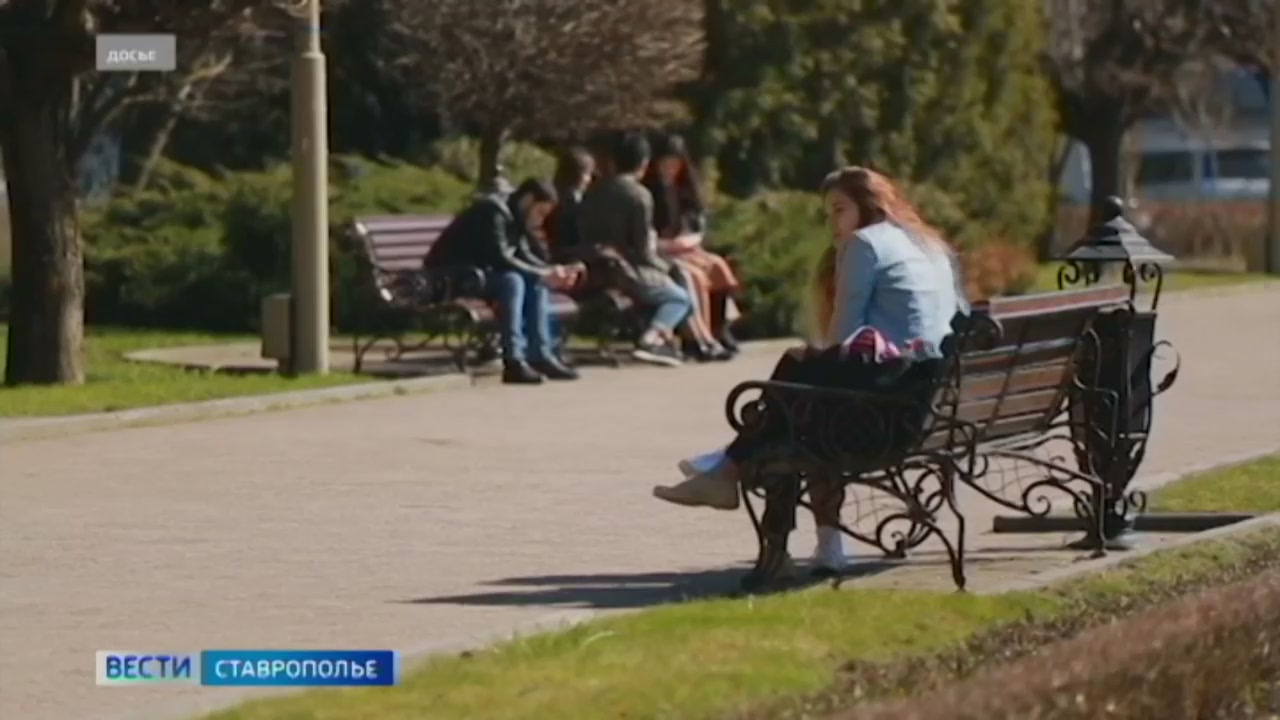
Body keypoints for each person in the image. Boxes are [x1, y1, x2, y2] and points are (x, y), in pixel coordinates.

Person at [651, 166, 967, 576]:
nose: (832, 221)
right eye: (828, 212)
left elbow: (843, 336)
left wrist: (813, 357)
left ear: (868, 205)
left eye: (840, 209)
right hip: (930, 399)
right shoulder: (929, 245)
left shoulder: (865, 243)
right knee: (800, 397)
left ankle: (730, 469)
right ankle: (730, 470)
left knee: (796, 389)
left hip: (888, 404)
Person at [423, 178, 587, 385]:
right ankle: (513, 361)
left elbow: (523, 254)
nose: (540, 220)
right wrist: (541, 273)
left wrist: (552, 271)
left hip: (478, 275)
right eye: (540, 212)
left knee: (535, 283)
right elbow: (499, 257)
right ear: (528, 200)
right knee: (513, 281)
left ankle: (540, 355)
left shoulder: (516, 215)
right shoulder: (492, 212)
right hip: (450, 277)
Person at [577, 132, 694, 367]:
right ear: (644, 163)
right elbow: (642, 250)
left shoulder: (594, 190)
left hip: (593, 263)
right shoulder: (639, 195)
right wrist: (664, 266)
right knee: (681, 298)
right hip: (626, 269)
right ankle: (651, 339)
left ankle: (664, 341)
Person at [643, 133, 742, 358]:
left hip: (685, 246)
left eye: (674, 164)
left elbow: (696, 225)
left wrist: (689, 240)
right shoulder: (649, 192)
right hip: (663, 249)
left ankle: (719, 329)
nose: (669, 169)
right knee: (695, 276)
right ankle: (698, 336)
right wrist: (669, 244)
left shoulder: (684, 190)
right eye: (665, 164)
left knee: (718, 266)